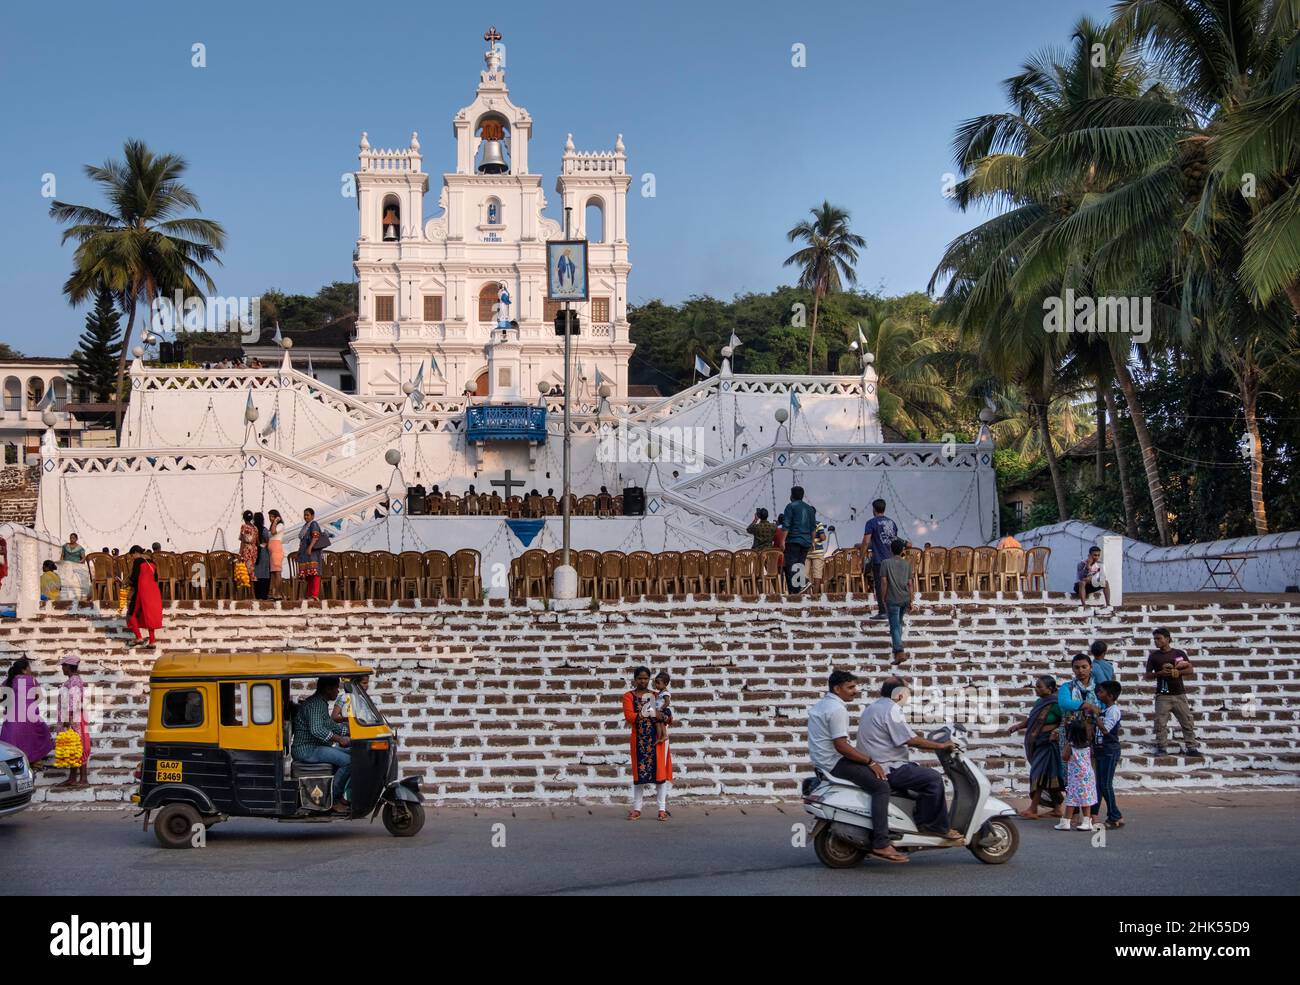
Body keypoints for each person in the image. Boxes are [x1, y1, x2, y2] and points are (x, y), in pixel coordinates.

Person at [806, 670, 908, 863]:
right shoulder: (837, 709)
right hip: (835, 762)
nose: (855, 691)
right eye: (850, 687)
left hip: (824, 760)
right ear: (837, 688)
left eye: (855, 686)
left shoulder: (823, 704)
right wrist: (870, 761)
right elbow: (842, 746)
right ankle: (881, 843)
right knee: (881, 786)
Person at [856, 678, 963, 842]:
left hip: (878, 763)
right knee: (933, 779)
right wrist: (941, 746)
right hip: (888, 767)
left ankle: (920, 820)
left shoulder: (874, 707)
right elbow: (911, 740)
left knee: (919, 773)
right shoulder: (891, 710)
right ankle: (935, 827)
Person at [1007, 675, 1064, 819]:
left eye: (1039, 686)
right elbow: (1032, 719)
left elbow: (1066, 720)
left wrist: (1056, 731)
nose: (1036, 689)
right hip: (1039, 743)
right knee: (1049, 777)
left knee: (1037, 774)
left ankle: (1033, 808)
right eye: (1036, 686)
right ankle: (1057, 809)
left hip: (1049, 745)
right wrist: (1018, 726)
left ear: (1050, 689)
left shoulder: (1057, 704)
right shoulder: (1040, 702)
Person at [291, 677, 351, 812]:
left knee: (352, 754)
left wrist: (350, 730)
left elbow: (329, 724)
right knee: (348, 762)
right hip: (307, 749)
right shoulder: (316, 704)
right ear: (327, 689)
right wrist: (340, 739)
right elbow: (317, 729)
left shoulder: (321, 703)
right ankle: (333, 800)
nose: (337, 691)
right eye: (336, 688)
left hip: (315, 747)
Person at [622, 667, 672, 821]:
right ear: (634, 679)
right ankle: (637, 808)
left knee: (660, 776)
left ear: (649, 679)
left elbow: (669, 717)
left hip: (657, 740)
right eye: (640, 678)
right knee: (639, 777)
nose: (642, 681)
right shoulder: (628, 696)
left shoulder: (657, 694)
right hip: (639, 740)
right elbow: (630, 717)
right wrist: (650, 711)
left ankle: (662, 809)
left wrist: (661, 715)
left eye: (645, 678)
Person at [1145, 627, 1200, 756]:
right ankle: (1162, 747)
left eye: (1159, 638)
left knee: (1187, 721)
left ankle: (1191, 747)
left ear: (1168, 639)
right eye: (1155, 639)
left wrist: (1178, 672)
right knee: (1160, 723)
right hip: (1162, 695)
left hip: (1179, 693)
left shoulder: (1179, 653)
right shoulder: (1154, 656)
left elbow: (1190, 670)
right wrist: (1160, 673)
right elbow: (1147, 675)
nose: (1156, 641)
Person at [0, 657, 54, 767]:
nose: (31, 670)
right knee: (37, 735)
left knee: (11, 741)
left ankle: (17, 764)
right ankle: (33, 761)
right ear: (24, 670)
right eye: (29, 667)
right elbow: (38, 698)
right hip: (30, 717)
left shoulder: (7, 682)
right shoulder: (32, 680)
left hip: (13, 718)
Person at [1056, 653, 1102, 763]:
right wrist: (1087, 705)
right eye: (1077, 667)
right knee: (1069, 767)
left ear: (1091, 667)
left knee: (1092, 768)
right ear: (1072, 669)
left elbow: (1103, 708)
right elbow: (1064, 703)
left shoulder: (1099, 688)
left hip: (1093, 733)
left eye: (1084, 667)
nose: (1080, 670)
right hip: (1070, 733)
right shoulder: (1067, 687)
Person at [55, 657, 91, 788]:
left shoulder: (74, 681)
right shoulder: (72, 680)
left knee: (79, 746)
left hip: (73, 718)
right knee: (72, 746)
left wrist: (67, 720)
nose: (62, 669)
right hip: (72, 717)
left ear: (69, 667)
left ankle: (83, 779)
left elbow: (73, 702)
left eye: (63, 666)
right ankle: (72, 778)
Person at [860, 499, 899, 620]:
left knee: (879, 584)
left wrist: (862, 556)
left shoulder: (871, 523)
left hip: (879, 559)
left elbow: (866, 541)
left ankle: (883, 611)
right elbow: (895, 539)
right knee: (891, 584)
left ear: (874, 509)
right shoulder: (892, 523)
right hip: (891, 558)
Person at [1056, 720, 1097, 831]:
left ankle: (1066, 821)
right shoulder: (1088, 745)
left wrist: (1068, 743)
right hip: (1088, 775)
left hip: (1076, 777)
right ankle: (1087, 821)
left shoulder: (1071, 745)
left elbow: (1064, 757)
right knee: (1086, 799)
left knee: (1072, 799)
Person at [878, 538, 913, 665]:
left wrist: (883, 597)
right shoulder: (907, 564)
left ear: (891, 550)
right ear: (902, 550)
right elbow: (910, 584)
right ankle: (897, 650)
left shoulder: (885, 563)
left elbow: (883, 582)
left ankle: (899, 651)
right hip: (905, 598)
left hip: (892, 598)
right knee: (898, 624)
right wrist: (911, 600)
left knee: (894, 626)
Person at [1095, 680, 1124, 829]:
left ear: (1110, 695)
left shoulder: (1113, 710)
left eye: (1101, 692)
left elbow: (1105, 730)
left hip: (1109, 750)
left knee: (1105, 784)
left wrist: (1096, 717)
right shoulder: (1105, 709)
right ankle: (1095, 814)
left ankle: (1115, 816)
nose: (1098, 694)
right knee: (1100, 784)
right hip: (1102, 749)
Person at [779, 486, 816, 594]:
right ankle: (797, 591)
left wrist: (782, 541)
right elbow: (813, 528)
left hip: (793, 540)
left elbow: (786, 525)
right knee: (799, 565)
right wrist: (812, 542)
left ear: (792, 496)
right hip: (806, 541)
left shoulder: (790, 507)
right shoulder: (809, 509)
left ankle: (803, 582)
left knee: (791, 566)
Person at [124, 545, 162, 648]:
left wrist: (127, 584)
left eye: (132, 556)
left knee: (131, 613)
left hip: (142, 590)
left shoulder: (138, 561)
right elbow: (156, 577)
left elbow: (135, 577)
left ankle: (139, 637)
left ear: (136, 553)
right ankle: (152, 641)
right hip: (153, 591)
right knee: (149, 614)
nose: (132, 558)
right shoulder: (152, 562)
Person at [298, 508, 324, 600]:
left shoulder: (313, 524)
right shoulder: (306, 526)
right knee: (309, 575)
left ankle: (314, 595)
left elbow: (315, 536)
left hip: (312, 553)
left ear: (312, 516)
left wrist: (310, 547)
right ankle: (309, 595)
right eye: (304, 515)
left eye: (307, 515)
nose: (305, 517)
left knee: (315, 573)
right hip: (305, 554)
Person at [1075, 545, 1112, 609]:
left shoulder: (1100, 564)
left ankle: (1108, 604)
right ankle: (1084, 605)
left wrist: (1091, 579)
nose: (1097, 557)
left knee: (1105, 582)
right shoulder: (1081, 564)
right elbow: (1081, 577)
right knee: (1082, 582)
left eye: (1098, 555)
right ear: (1089, 555)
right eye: (1095, 555)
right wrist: (1088, 565)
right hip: (1079, 586)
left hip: (1092, 584)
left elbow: (1102, 577)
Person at [267, 509, 286, 600]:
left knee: (277, 572)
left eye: (272, 517)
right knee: (274, 573)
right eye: (269, 517)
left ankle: (278, 593)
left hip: (276, 550)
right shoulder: (272, 526)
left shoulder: (280, 525)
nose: (270, 519)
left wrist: (275, 521)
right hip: (272, 550)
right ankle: (278, 593)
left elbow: (274, 532)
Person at [238, 510, 259, 582]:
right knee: (252, 569)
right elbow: (257, 541)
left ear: (243, 518)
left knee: (245, 570)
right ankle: (252, 590)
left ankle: (247, 590)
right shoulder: (255, 528)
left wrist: (240, 553)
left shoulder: (244, 527)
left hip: (247, 549)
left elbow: (243, 541)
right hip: (254, 550)